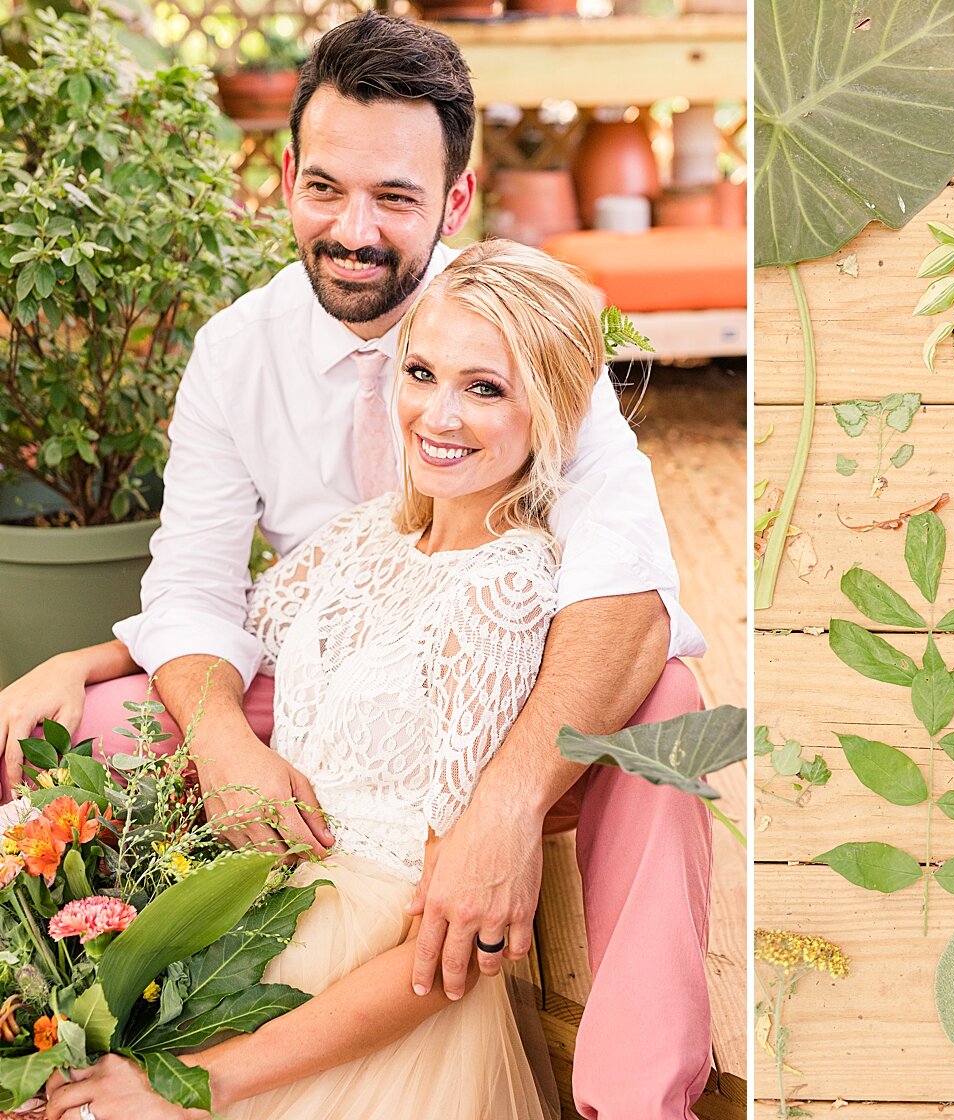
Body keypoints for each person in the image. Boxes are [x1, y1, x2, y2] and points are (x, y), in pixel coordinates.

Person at [0, 13, 713, 1118]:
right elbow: (199, 591)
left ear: (456, 203)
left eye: (394, 197)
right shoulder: (239, 353)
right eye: (326, 188)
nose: (353, 229)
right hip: (322, 676)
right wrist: (211, 730)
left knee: (663, 709)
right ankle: (56, 1030)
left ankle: (637, 1093)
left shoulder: (522, 332)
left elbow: (627, 590)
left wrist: (508, 804)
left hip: (497, 682)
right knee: (49, 729)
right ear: (285, 176)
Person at [45, 238, 600, 1120]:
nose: (439, 415)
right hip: (246, 908)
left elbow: (447, 952)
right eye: (422, 372)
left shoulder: (504, 590)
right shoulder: (366, 533)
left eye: (485, 388)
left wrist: (191, 1087)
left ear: (551, 414)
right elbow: (238, 626)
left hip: (361, 986)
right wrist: (77, 662)